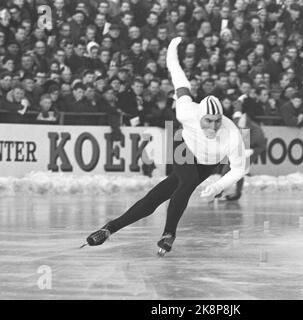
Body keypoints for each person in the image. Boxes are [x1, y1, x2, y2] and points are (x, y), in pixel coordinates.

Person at [84, 37, 248, 256]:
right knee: (187, 182)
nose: (214, 125)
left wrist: (218, 186)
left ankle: (109, 228)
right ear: (199, 114)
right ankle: (169, 233)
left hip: (208, 162)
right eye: (208, 120)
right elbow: (179, 78)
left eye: (218, 120)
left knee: (154, 200)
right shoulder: (186, 111)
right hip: (184, 146)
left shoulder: (232, 135)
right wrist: (172, 51)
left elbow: (239, 169)